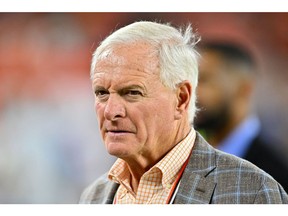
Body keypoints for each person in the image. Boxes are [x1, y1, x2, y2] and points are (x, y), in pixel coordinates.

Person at [79, 21, 288, 204]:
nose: (110, 111)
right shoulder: (93, 196)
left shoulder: (253, 192)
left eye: (132, 92)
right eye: (102, 93)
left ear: (181, 98)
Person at [195, 41, 288, 192]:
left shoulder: (276, 176)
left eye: (205, 81)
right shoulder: (181, 158)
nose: (193, 93)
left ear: (243, 89)